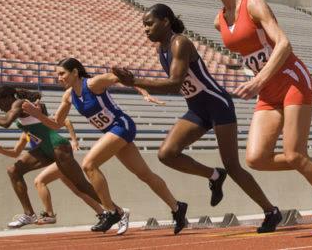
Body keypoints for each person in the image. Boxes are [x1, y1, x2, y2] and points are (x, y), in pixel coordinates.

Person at [197, 0, 312, 236]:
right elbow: (251, 52)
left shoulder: (253, 4)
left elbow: (283, 44)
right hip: (267, 90)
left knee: (294, 154)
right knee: (256, 158)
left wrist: (259, 80)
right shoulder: (219, 21)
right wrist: (239, 70)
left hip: (292, 80)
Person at [112, 3, 282, 234]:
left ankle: (270, 211)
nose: (146, 29)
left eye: (150, 23)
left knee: (233, 166)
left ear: (166, 21)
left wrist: (135, 82)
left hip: (217, 105)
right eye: (144, 25)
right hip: (197, 109)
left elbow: (175, 84)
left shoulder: (180, 43)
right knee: (167, 154)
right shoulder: (162, 49)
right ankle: (214, 175)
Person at [22, 58, 189, 234]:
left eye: (62, 73)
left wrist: (144, 92)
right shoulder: (69, 96)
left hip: (122, 125)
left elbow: (124, 79)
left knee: (89, 164)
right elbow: (56, 123)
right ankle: (177, 207)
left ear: (75, 72)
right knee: (144, 174)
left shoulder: (94, 83)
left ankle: (111, 211)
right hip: (112, 132)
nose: (59, 78)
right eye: (57, 75)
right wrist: (36, 114)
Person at [0, 85, 110, 231]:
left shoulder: (18, 104)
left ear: (9, 98)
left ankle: (115, 210)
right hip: (45, 149)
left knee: (81, 186)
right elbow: (35, 122)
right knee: (14, 171)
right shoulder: (23, 106)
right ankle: (29, 214)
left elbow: (5, 122)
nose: (1, 109)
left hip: (58, 147)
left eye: (0, 105)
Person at [0, 119, 105, 225]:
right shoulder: (25, 134)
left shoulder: (42, 124)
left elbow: (67, 121)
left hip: (61, 158)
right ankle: (104, 213)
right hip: (52, 161)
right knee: (79, 191)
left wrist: (74, 141)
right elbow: (16, 152)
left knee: (40, 181)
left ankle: (50, 215)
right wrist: (2, 151)